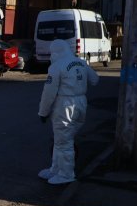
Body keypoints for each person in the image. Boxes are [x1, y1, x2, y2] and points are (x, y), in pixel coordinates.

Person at [37, 39, 99, 185]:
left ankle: (66, 174)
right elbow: (95, 80)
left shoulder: (56, 66)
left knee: (64, 141)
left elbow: (49, 92)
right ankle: (56, 169)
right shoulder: (81, 62)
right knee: (61, 140)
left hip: (65, 105)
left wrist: (43, 112)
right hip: (81, 103)